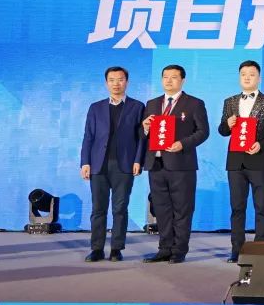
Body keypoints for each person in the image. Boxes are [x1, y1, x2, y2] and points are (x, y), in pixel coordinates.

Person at [217, 60, 264, 263]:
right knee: (237, 208)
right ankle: (236, 250)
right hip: (235, 162)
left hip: (259, 161)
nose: (247, 77)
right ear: (239, 77)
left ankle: (260, 250)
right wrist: (227, 124)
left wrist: (261, 145)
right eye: (243, 74)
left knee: (261, 207)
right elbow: (222, 131)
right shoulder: (229, 101)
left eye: (251, 74)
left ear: (259, 78)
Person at [141, 64, 209, 264]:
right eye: (165, 77)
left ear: (182, 80)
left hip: (182, 165)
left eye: (174, 77)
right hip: (156, 164)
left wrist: (183, 144)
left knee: (182, 209)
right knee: (161, 209)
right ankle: (164, 249)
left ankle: (179, 250)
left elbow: (203, 132)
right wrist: (145, 128)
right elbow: (142, 134)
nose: (169, 81)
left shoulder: (194, 103)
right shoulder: (152, 104)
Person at [80, 66, 146, 262]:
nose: (116, 84)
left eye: (120, 79)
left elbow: (141, 137)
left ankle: (116, 249)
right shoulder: (95, 107)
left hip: (124, 165)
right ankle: (97, 249)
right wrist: (85, 162)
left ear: (127, 82)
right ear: (106, 83)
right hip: (98, 165)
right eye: (112, 80)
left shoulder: (137, 107)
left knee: (120, 209)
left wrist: (138, 160)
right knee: (98, 209)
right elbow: (88, 137)